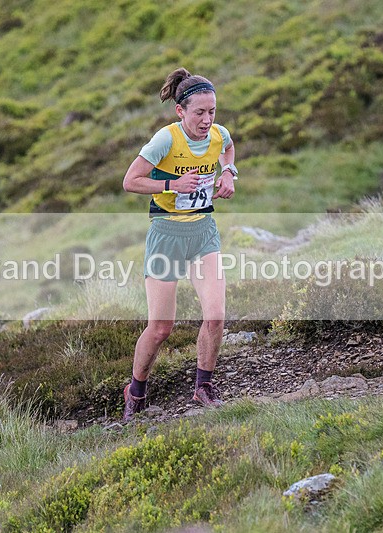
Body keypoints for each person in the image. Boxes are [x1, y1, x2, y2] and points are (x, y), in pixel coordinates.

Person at [121, 67, 238, 421]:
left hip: (203, 232)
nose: (207, 120)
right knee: (161, 327)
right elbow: (130, 181)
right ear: (181, 111)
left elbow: (228, 150)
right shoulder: (165, 140)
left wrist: (230, 173)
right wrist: (172, 186)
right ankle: (136, 391)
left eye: (212, 111)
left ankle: (204, 387)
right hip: (166, 235)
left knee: (215, 316)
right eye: (199, 113)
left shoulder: (219, 135)